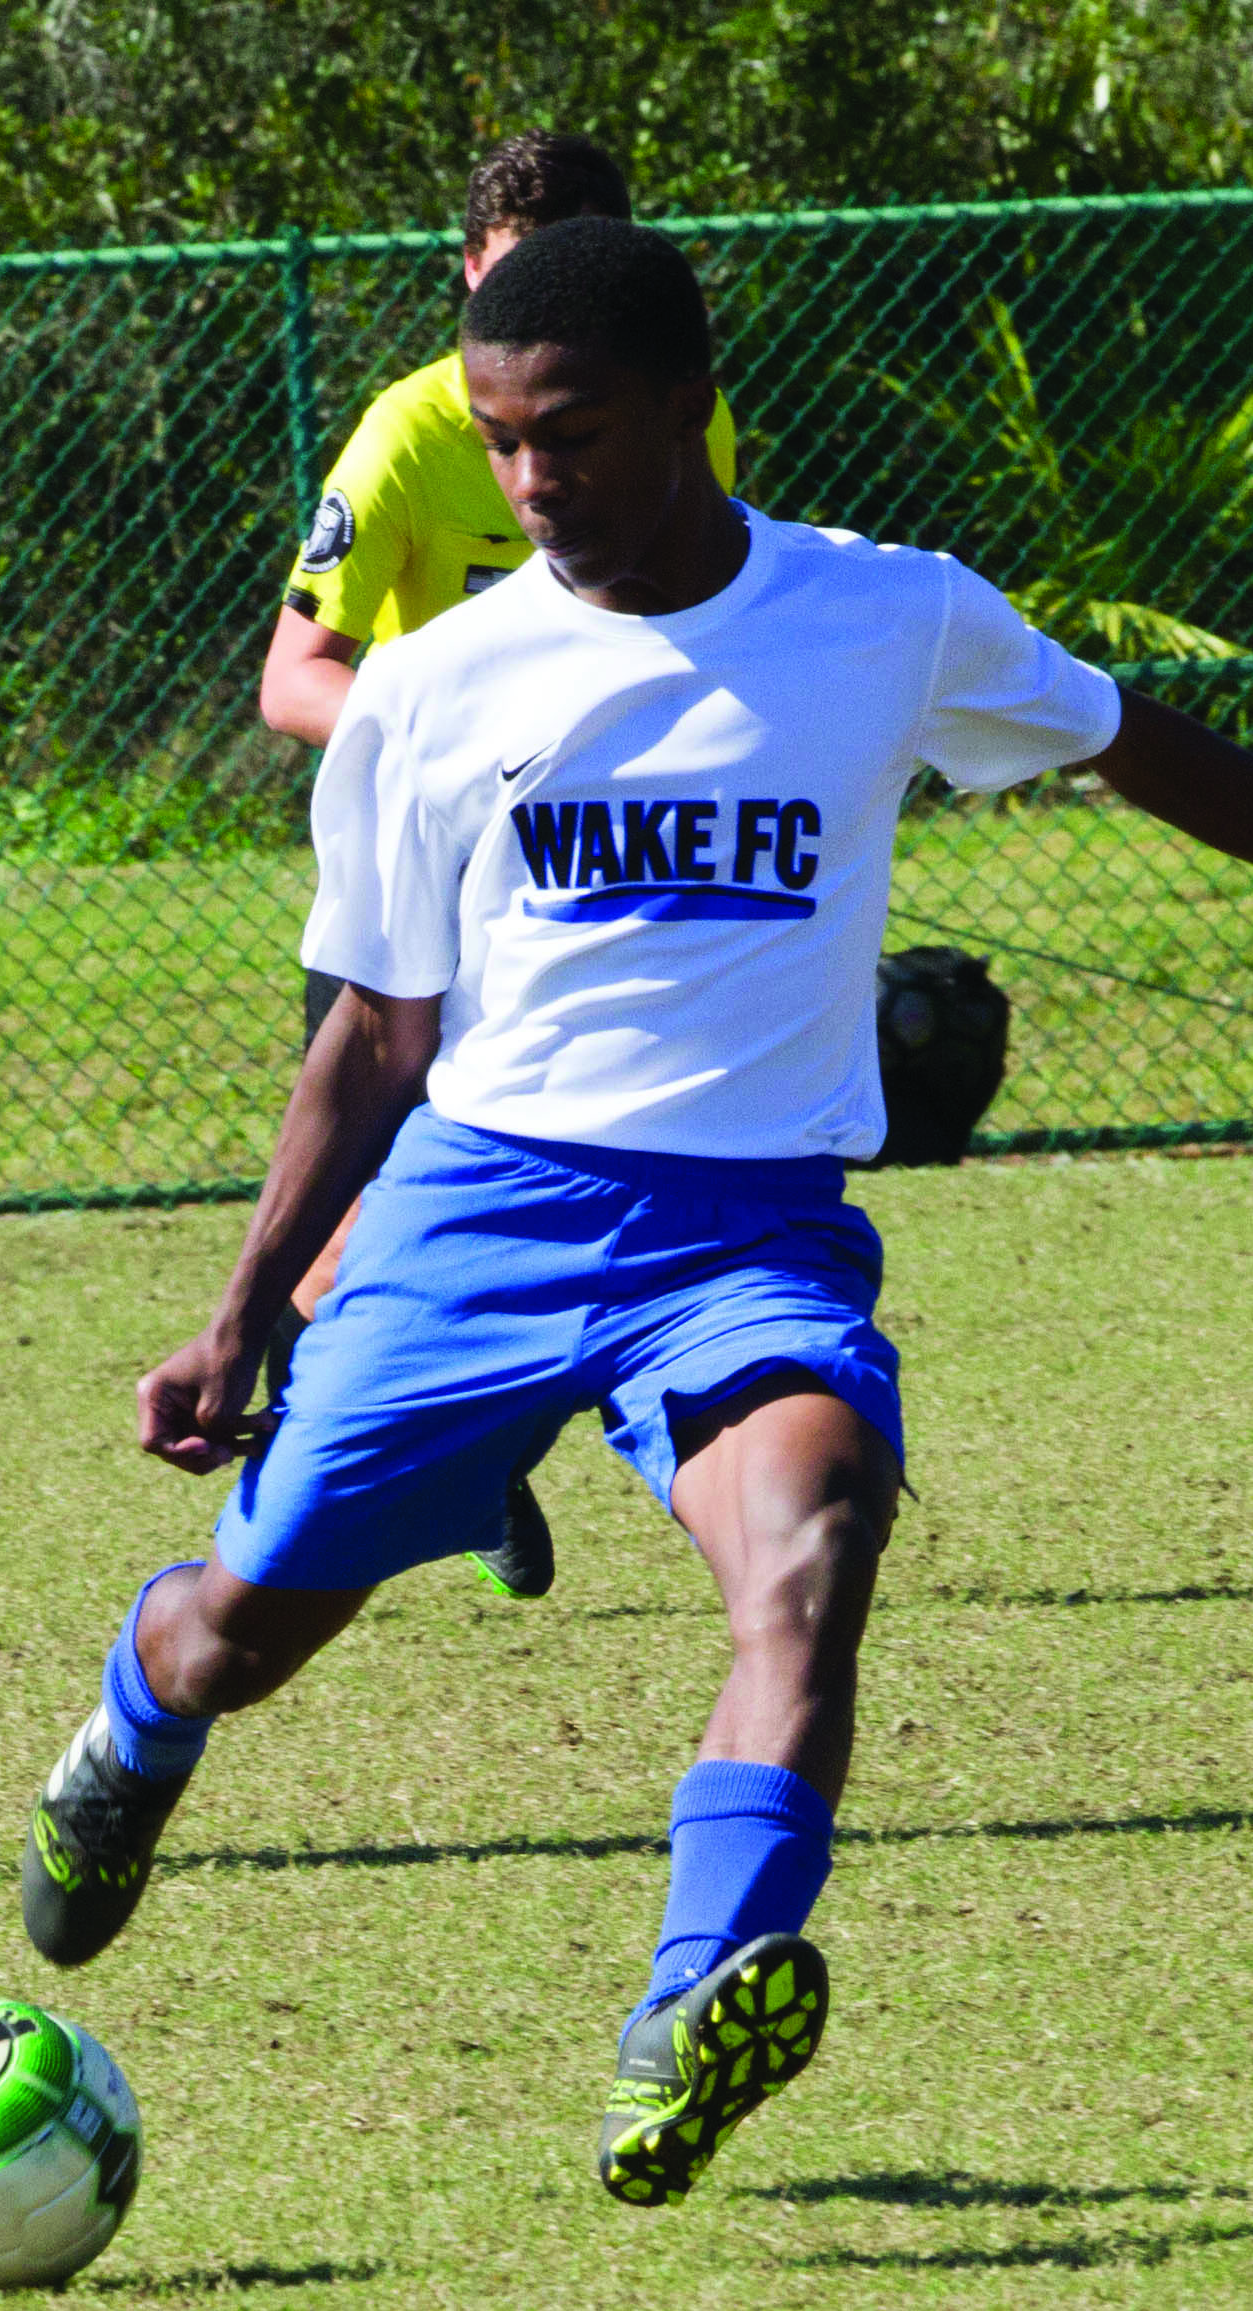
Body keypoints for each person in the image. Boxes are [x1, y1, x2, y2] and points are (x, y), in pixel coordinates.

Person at [22, 217, 1253, 2207]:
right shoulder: (438, 689)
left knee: (811, 1552)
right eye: (497, 439)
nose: (529, 481)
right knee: (245, 1631)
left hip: (747, 1237)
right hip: (479, 1213)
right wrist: (247, 1308)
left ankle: (692, 2005)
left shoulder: (884, 619)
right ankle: (140, 1717)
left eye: (568, 433)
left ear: (685, 408)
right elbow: (379, 1034)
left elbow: (1143, 751)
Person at [259, 130, 738, 1602]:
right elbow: (293, 679)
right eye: (517, 270)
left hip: (601, 883)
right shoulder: (412, 432)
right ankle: (326, 1466)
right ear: (467, 274)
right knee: (355, 1228)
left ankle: (505, 1426)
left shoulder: (680, 427)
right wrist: (463, 745)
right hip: (432, 889)